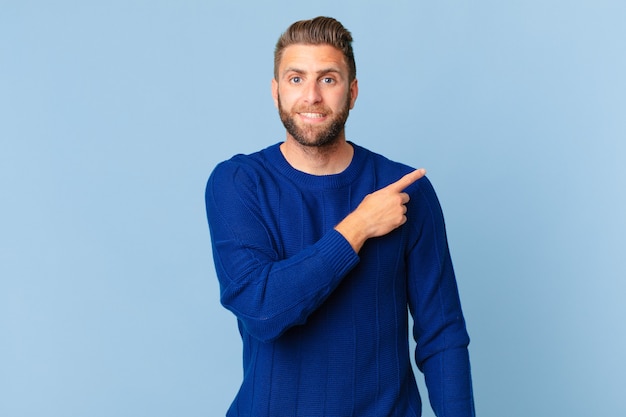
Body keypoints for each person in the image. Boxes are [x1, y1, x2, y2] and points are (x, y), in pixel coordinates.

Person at [205, 16, 475, 417]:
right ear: (276, 91)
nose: (311, 95)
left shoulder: (405, 190)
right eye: (296, 79)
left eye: (327, 79)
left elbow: (442, 334)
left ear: (352, 92)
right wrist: (359, 225)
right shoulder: (238, 183)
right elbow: (262, 309)